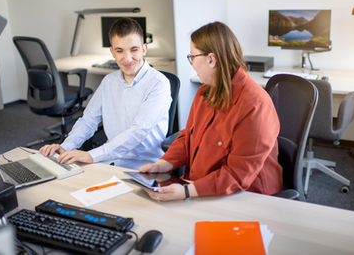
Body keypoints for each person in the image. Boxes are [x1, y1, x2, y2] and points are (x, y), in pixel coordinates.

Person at [139, 22, 283, 202]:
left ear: (211, 60)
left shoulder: (255, 106)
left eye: (192, 56)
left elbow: (238, 174)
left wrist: (187, 192)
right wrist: (161, 165)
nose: (191, 63)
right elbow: (188, 137)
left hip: (249, 197)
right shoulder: (204, 93)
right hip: (203, 188)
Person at [39, 18, 172, 169]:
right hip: (108, 161)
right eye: (119, 51)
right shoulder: (109, 81)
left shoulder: (158, 83)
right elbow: (88, 120)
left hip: (143, 167)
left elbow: (137, 132)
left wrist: (91, 155)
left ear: (144, 49)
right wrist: (66, 146)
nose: (127, 58)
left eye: (134, 50)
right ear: (112, 52)